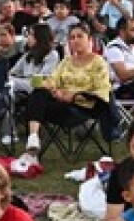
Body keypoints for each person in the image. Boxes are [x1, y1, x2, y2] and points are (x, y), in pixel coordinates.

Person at [17, 23, 114, 170]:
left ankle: (32, 152)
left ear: (90, 40)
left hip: (85, 108)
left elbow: (102, 92)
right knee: (39, 91)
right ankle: (33, 139)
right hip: (62, 105)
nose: (75, 40)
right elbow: (52, 81)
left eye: (79, 36)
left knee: (36, 101)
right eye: (72, 37)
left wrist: (74, 96)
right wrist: (54, 90)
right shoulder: (66, 62)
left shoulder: (99, 63)